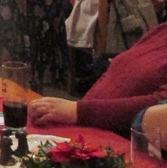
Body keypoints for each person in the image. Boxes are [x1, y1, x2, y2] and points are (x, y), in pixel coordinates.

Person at [29, 21, 167, 138]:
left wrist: (78, 112)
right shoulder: (162, 30)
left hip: (120, 141)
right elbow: (116, 71)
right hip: (88, 126)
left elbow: (159, 107)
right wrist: (77, 109)